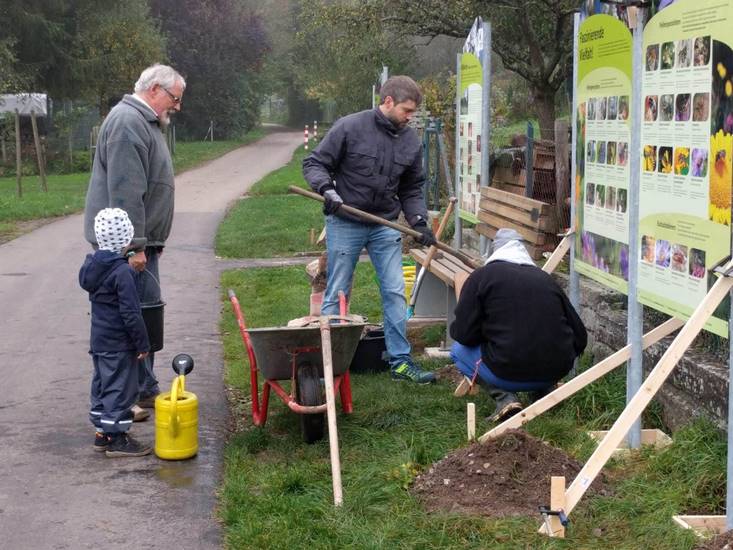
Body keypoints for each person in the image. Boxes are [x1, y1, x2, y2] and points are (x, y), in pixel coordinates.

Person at [302, 75, 437, 384]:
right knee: (338, 291)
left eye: (413, 112)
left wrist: (418, 222)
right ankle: (330, 363)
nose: (409, 117)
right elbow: (314, 163)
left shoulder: (410, 140)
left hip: (383, 224)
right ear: (387, 101)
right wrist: (328, 191)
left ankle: (400, 361)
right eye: (406, 110)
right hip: (345, 220)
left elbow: (411, 188)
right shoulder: (350, 127)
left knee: (393, 291)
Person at [84, 63, 185, 413]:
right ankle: (125, 397)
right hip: (127, 248)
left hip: (139, 243)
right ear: (154, 89)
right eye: (174, 98)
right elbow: (126, 192)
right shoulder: (128, 123)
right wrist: (136, 247)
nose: (176, 105)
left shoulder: (143, 122)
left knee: (144, 313)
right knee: (133, 317)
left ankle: (140, 386)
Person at [449, 229, 587, 422]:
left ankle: (505, 398)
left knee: (458, 351)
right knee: (532, 346)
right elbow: (580, 336)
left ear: (494, 251)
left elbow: (463, 334)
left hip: (507, 370)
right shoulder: (545, 279)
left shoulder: (481, 277)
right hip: (556, 369)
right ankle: (544, 390)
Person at [79, 208, 152, 457]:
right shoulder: (123, 273)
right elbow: (131, 313)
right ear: (126, 240)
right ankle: (117, 438)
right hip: (119, 343)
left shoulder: (91, 266)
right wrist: (142, 343)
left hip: (99, 340)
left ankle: (102, 433)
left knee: (102, 384)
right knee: (121, 389)